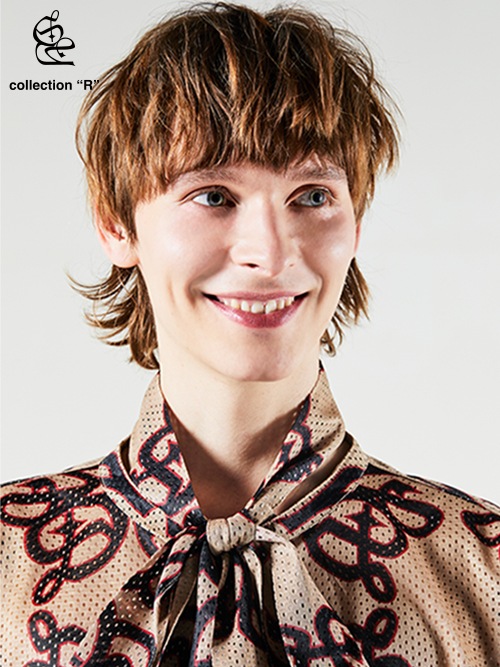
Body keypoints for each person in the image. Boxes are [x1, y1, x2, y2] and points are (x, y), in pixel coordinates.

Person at [1, 4, 498, 666]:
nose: (270, 253)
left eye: (313, 195)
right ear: (117, 224)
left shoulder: (484, 567)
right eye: (214, 195)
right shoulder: (8, 559)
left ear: (356, 224)